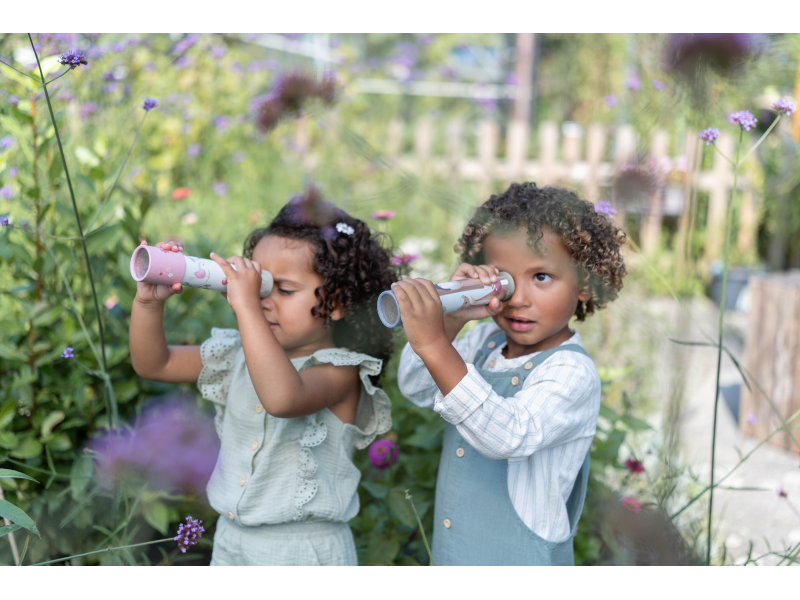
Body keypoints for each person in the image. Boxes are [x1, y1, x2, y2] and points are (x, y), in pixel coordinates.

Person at [129, 189, 398, 565]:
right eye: (260, 288)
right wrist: (148, 302)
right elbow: (155, 364)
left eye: (282, 290)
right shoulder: (237, 354)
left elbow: (283, 398)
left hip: (301, 554)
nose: (262, 299)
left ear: (337, 302)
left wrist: (245, 305)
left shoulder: (341, 371)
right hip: (231, 542)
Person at [395, 182, 627, 565]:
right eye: (503, 277)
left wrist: (435, 345)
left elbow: (509, 435)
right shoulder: (486, 340)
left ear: (585, 283)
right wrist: (450, 321)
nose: (518, 298)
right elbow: (416, 387)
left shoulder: (571, 372)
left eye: (541, 277)